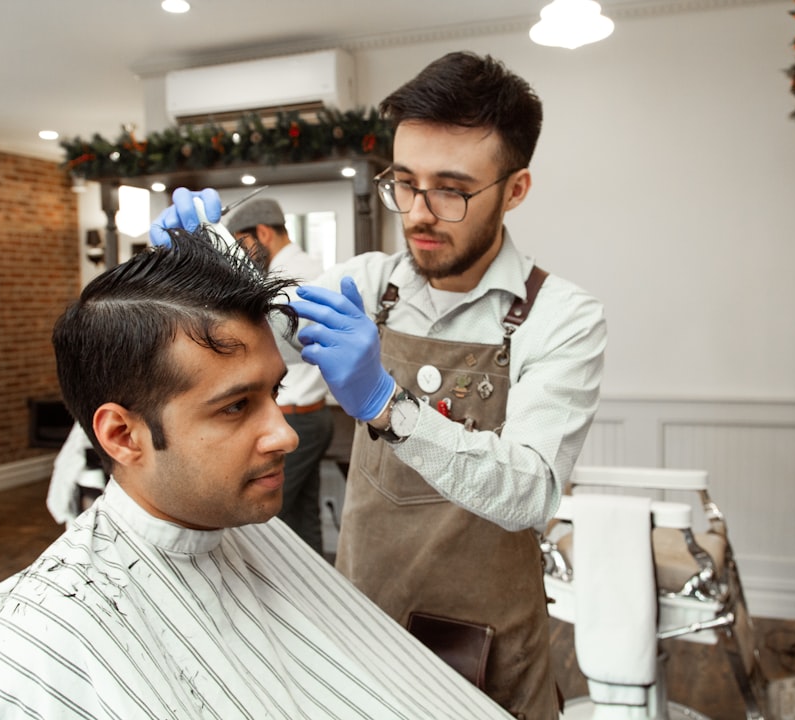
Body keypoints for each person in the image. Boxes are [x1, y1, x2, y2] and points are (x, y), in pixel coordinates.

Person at [0, 225, 514, 720]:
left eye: (274, 393)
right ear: (121, 434)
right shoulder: (15, 654)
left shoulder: (247, 529)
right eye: (236, 406)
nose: (285, 433)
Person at [152, 51, 607, 720]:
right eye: (405, 182)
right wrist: (204, 259)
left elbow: (532, 491)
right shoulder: (367, 284)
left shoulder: (561, 317)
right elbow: (258, 327)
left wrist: (389, 408)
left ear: (514, 190)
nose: (418, 213)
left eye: (451, 189)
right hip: (362, 619)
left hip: (485, 642)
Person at [225, 198, 333, 555]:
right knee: (304, 520)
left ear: (264, 233)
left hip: (296, 417)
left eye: (242, 244)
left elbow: (262, 348)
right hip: (310, 415)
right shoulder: (306, 266)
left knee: (266, 528)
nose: (241, 255)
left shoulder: (292, 279)